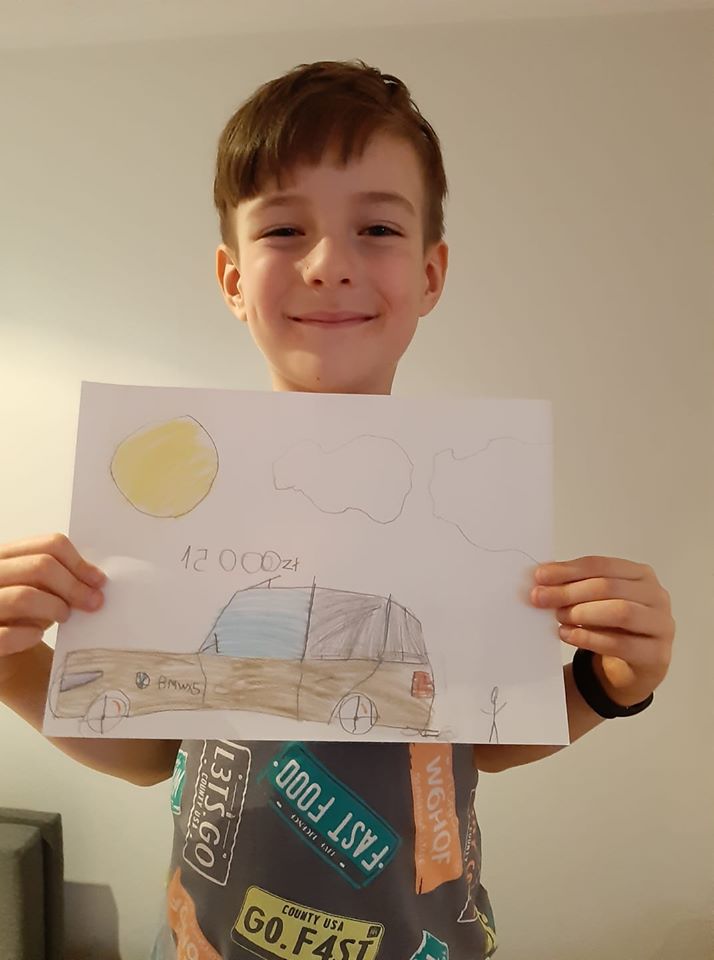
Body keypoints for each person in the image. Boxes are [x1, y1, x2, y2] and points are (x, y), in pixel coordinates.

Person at [0, 60, 675, 959]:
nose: (328, 265)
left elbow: (472, 741)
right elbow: (154, 754)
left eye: (378, 228)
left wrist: (605, 685)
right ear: (232, 278)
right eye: (284, 229)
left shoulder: (468, 522)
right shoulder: (168, 526)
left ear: (430, 274)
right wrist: (12, 663)